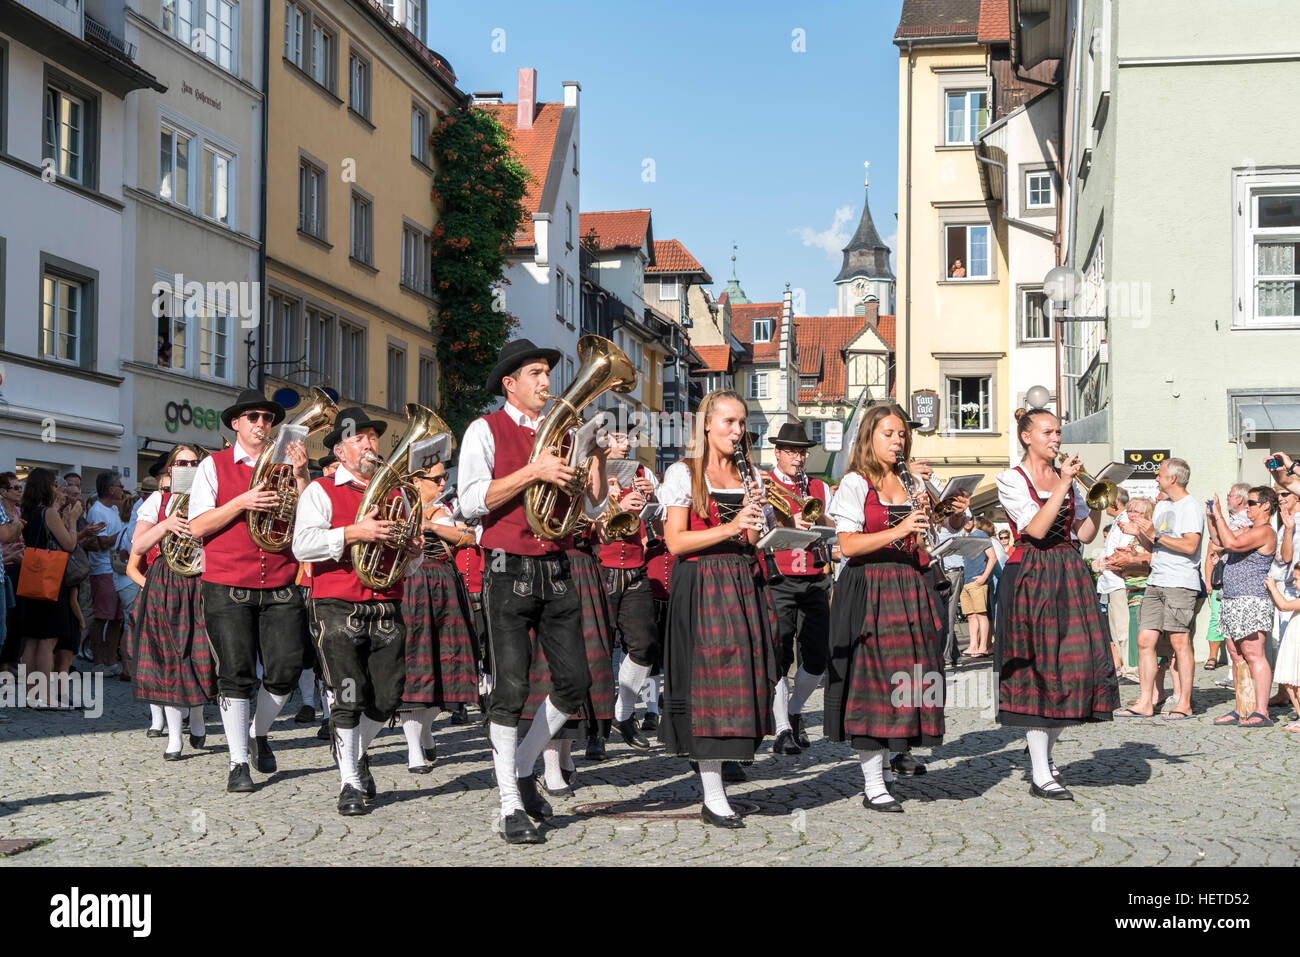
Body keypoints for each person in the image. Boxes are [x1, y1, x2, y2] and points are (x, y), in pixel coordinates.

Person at [454, 338, 610, 844]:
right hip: (505, 566)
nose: (547, 383)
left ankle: (523, 767)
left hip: (557, 564)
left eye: (547, 373)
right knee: (510, 690)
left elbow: (590, 509)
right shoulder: (485, 429)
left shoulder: (564, 433)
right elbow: (472, 500)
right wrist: (534, 472)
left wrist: (598, 460)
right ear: (510, 384)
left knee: (574, 683)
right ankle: (507, 806)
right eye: (537, 374)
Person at [293, 408, 424, 814]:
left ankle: (352, 751)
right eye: (359, 438)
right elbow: (303, 546)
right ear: (340, 449)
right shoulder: (321, 490)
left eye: (372, 437)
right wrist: (354, 532)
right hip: (336, 603)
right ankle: (350, 780)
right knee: (347, 693)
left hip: (385, 601)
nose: (370, 444)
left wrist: (413, 552)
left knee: (387, 697)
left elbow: (408, 562)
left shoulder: (396, 493)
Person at [659, 389, 777, 828]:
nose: (737, 431)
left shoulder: (750, 478)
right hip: (702, 583)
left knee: (740, 681)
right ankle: (712, 795)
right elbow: (675, 541)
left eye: (742, 424)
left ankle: (724, 770)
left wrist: (753, 525)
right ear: (707, 424)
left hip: (741, 582)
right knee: (709, 686)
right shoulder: (684, 473)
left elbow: (749, 542)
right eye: (729, 422)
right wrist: (730, 524)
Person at [826, 404, 948, 813]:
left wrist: (948, 514)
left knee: (909, 678)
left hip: (907, 586)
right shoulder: (856, 483)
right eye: (888, 434)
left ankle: (894, 762)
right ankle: (873, 782)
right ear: (869, 438)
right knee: (873, 684)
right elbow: (847, 545)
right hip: (869, 586)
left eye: (901, 435)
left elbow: (924, 541)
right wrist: (899, 528)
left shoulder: (910, 482)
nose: (898, 441)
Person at [187, 389, 310, 794]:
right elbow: (198, 526)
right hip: (227, 582)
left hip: (280, 579)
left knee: (285, 670)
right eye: (253, 417)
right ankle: (239, 761)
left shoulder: (285, 464)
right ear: (236, 423)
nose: (261, 423)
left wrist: (302, 475)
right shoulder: (214, 466)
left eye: (267, 418)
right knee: (235, 674)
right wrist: (243, 501)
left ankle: (258, 731)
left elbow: (312, 519)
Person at [995, 409, 1116, 800]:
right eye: (1048, 432)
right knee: (1038, 671)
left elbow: (1084, 533)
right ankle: (1040, 773)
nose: (1056, 438)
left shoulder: (1070, 480)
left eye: (1059, 431)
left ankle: (1043, 753)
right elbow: (1035, 528)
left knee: (1076, 668)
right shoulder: (1011, 479)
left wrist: (1098, 499)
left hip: (1067, 571)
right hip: (1031, 572)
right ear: (1027, 437)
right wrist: (1065, 484)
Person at [128, 446, 215, 760]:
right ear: (170, 468)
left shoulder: (210, 497)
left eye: (194, 462)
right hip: (166, 581)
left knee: (199, 656)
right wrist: (165, 525)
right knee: (169, 659)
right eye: (182, 462)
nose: (188, 467)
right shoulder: (158, 500)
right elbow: (138, 545)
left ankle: (199, 715)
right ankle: (175, 736)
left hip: (201, 581)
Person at [398, 459, 481, 774]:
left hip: (445, 584)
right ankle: (413, 749)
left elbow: (470, 537)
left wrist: (432, 525)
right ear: (416, 481)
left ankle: (427, 729)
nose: (443, 483)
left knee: (447, 664)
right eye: (436, 479)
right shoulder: (399, 504)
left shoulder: (443, 510)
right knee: (415, 663)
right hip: (412, 586)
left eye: (445, 477)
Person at [761, 422, 833, 755]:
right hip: (780, 577)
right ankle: (782, 729)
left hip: (815, 575)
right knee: (779, 653)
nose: (798, 458)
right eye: (791, 451)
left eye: (802, 451)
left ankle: (793, 709)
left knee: (817, 657)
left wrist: (816, 520)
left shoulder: (818, 485)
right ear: (777, 453)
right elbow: (761, 530)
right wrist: (787, 520)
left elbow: (834, 525)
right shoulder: (765, 484)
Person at [1116, 458, 1203, 720]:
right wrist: (1137, 533)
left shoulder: (1191, 507)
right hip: (1156, 580)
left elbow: (1190, 546)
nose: (1156, 478)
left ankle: (1184, 703)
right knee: (1145, 640)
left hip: (1180, 582)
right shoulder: (1162, 505)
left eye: (1160, 474)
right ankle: (1145, 701)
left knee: (1179, 642)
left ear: (1173, 478)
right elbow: (1155, 545)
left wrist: (1154, 534)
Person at [596, 435, 660, 754]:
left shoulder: (640, 475)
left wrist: (652, 497)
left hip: (635, 566)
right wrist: (616, 504)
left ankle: (622, 713)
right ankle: (596, 726)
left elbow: (657, 522)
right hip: (602, 566)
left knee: (644, 644)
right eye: (618, 439)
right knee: (598, 648)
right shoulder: (591, 474)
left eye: (628, 439)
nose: (625, 445)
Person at [1208, 487, 1278, 727]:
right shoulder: (1248, 529)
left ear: (1266, 505)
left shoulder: (1265, 531)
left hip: (1251, 599)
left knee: (1254, 654)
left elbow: (1233, 543)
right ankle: (1242, 707)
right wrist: (1211, 516)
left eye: (1252, 502)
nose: (1247, 507)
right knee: (1237, 656)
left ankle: (1261, 711)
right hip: (1231, 598)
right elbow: (1218, 542)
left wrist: (1218, 514)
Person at [15, 469, 81, 706]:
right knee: (47, 640)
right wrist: (72, 520)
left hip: (30, 577)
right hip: (50, 579)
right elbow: (69, 544)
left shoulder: (27, 510)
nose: (58, 488)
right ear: (47, 487)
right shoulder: (48, 513)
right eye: (54, 484)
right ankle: (44, 696)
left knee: (32, 638)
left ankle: (31, 695)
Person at [86, 473, 127, 678]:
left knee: (117, 618)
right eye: (120, 485)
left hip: (117, 569)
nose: (123, 488)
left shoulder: (112, 510)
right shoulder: (97, 511)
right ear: (111, 489)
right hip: (102, 569)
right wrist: (124, 535)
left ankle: (111, 660)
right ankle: (98, 661)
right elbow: (101, 543)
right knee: (102, 617)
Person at [1094, 488, 1137, 680]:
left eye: (1106, 500)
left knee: (1123, 630)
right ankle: (1125, 669)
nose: (1103, 505)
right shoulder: (1118, 520)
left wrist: (1101, 564)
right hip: (1111, 584)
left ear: (1115, 502)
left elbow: (1125, 553)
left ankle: (1131, 670)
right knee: (1116, 631)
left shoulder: (1125, 520)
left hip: (1119, 583)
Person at [1266, 564, 1300, 732]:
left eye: (1297, 579)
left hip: (1297, 644)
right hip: (1292, 641)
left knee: (1297, 683)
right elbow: (1281, 605)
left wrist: (1273, 587)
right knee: (1288, 682)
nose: (1294, 583)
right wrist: (1271, 592)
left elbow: (1285, 606)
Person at [959, 518, 995, 659]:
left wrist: (983, 577)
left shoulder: (981, 535)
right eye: (964, 518)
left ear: (974, 519)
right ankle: (973, 645)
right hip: (967, 581)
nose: (967, 521)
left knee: (981, 614)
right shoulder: (963, 536)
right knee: (971, 616)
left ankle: (983, 647)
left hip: (977, 581)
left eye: (969, 518)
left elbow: (992, 557)